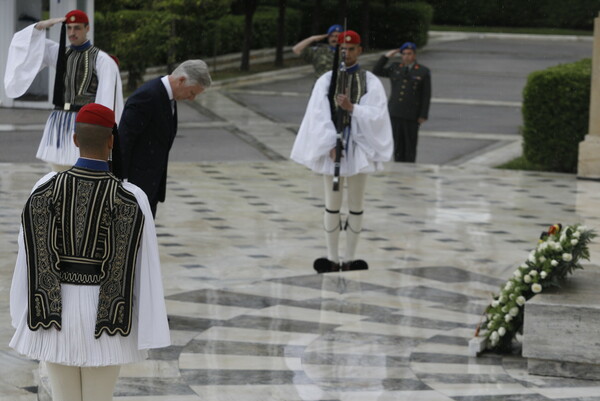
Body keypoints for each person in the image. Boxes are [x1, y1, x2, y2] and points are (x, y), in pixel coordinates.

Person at [9, 103, 170, 401]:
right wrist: (147, 325)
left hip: (53, 315)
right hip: (108, 317)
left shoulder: (44, 187)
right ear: (112, 141)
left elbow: (27, 258)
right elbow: (144, 266)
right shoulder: (132, 197)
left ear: (74, 139)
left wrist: (22, 313)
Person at [291, 30, 393, 273]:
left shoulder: (371, 81)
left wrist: (352, 108)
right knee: (332, 204)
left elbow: (377, 114)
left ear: (360, 51)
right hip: (334, 150)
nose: (346, 53)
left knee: (356, 204)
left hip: (359, 148)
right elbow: (318, 114)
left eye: (352, 49)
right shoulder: (327, 79)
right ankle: (331, 257)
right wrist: (330, 144)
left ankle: (350, 257)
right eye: (343, 49)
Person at [4, 10, 123, 172]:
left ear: (87, 28)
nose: (72, 33)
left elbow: (108, 99)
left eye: (77, 28)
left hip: (84, 124)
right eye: (69, 28)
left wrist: (104, 132)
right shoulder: (60, 53)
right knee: (58, 174)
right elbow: (26, 45)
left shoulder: (101, 59)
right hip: (59, 123)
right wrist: (41, 26)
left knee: (84, 171)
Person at [118, 60, 212, 218]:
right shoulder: (147, 96)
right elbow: (123, 142)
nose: (191, 99)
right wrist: (123, 185)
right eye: (192, 93)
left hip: (150, 188)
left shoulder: (169, 98)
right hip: (134, 189)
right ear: (181, 80)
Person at [372, 42, 431, 162]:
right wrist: (386, 56)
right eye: (404, 54)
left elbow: (426, 95)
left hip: (412, 113)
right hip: (395, 111)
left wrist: (423, 114)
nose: (406, 57)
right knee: (397, 142)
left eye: (409, 54)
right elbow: (376, 71)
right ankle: (398, 164)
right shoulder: (395, 68)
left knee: (410, 143)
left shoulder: (422, 71)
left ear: (414, 55)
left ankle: (409, 166)